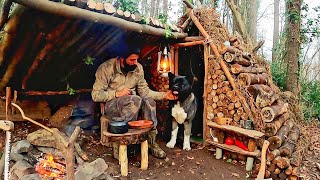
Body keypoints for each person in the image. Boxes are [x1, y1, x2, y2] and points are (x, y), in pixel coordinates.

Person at [91, 47, 176, 159]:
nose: (135, 63)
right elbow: (96, 95)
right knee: (135, 100)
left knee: (148, 101)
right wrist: (116, 93)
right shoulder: (106, 68)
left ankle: (151, 142)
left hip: (134, 103)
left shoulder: (138, 68)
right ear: (122, 59)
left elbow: (144, 92)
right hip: (111, 105)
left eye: (136, 59)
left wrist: (164, 95)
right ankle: (121, 143)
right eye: (132, 60)